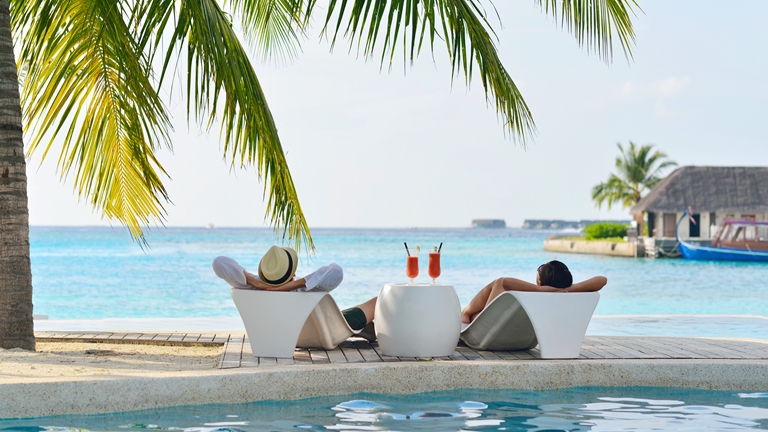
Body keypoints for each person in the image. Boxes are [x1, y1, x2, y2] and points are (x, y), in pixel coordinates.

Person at [212, 246, 376, 334]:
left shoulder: (250, 287)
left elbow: (219, 262)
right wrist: (293, 285)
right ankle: (364, 329)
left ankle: (366, 331)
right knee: (380, 300)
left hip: (280, 337)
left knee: (365, 325)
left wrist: (257, 283)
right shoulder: (304, 290)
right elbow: (336, 272)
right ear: (293, 271)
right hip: (326, 331)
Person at [460, 260, 607, 324]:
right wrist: (570, 288)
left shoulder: (536, 293)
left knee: (496, 283)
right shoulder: (568, 295)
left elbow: (503, 282)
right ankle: (469, 314)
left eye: (541, 269)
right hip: (527, 338)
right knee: (494, 287)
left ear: (541, 282)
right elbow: (603, 280)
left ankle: (466, 313)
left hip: (491, 327)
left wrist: (538, 289)